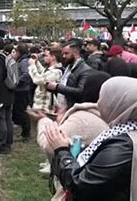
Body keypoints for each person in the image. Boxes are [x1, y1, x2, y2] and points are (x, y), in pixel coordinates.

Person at [46, 77, 137, 201]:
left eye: (104, 98)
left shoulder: (122, 146)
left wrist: (61, 150)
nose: (99, 103)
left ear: (119, 103)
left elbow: (81, 186)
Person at [30, 71, 110, 200]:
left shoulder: (83, 119)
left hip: (77, 185)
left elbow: (49, 144)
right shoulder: (107, 116)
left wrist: (44, 121)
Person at [45, 39, 92, 110]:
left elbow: (81, 92)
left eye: (66, 53)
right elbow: (65, 85)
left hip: (72, 110)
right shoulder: (68, 67)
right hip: (62, 108)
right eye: (63, 53)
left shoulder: (84, 70)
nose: (63, 56)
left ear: (75, 53)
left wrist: (57, 87)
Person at [28, 47, 63, 115]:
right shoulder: (51, 69)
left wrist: (32, 66)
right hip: (41, 105)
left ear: (53, 57)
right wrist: (36, 62)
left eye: (46, 56)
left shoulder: (56, 71)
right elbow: (43, 73)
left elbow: (38, 80)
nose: (44, 58)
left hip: (45, 108)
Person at [13, 43, 33, 141]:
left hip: (22, 90)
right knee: (20, 111)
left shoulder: (24, 61)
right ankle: (25, 132)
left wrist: (17, 81)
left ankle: (26, 133)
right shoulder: (21, 60)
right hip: (20, 89)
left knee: (22, 112)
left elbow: (27, 74)